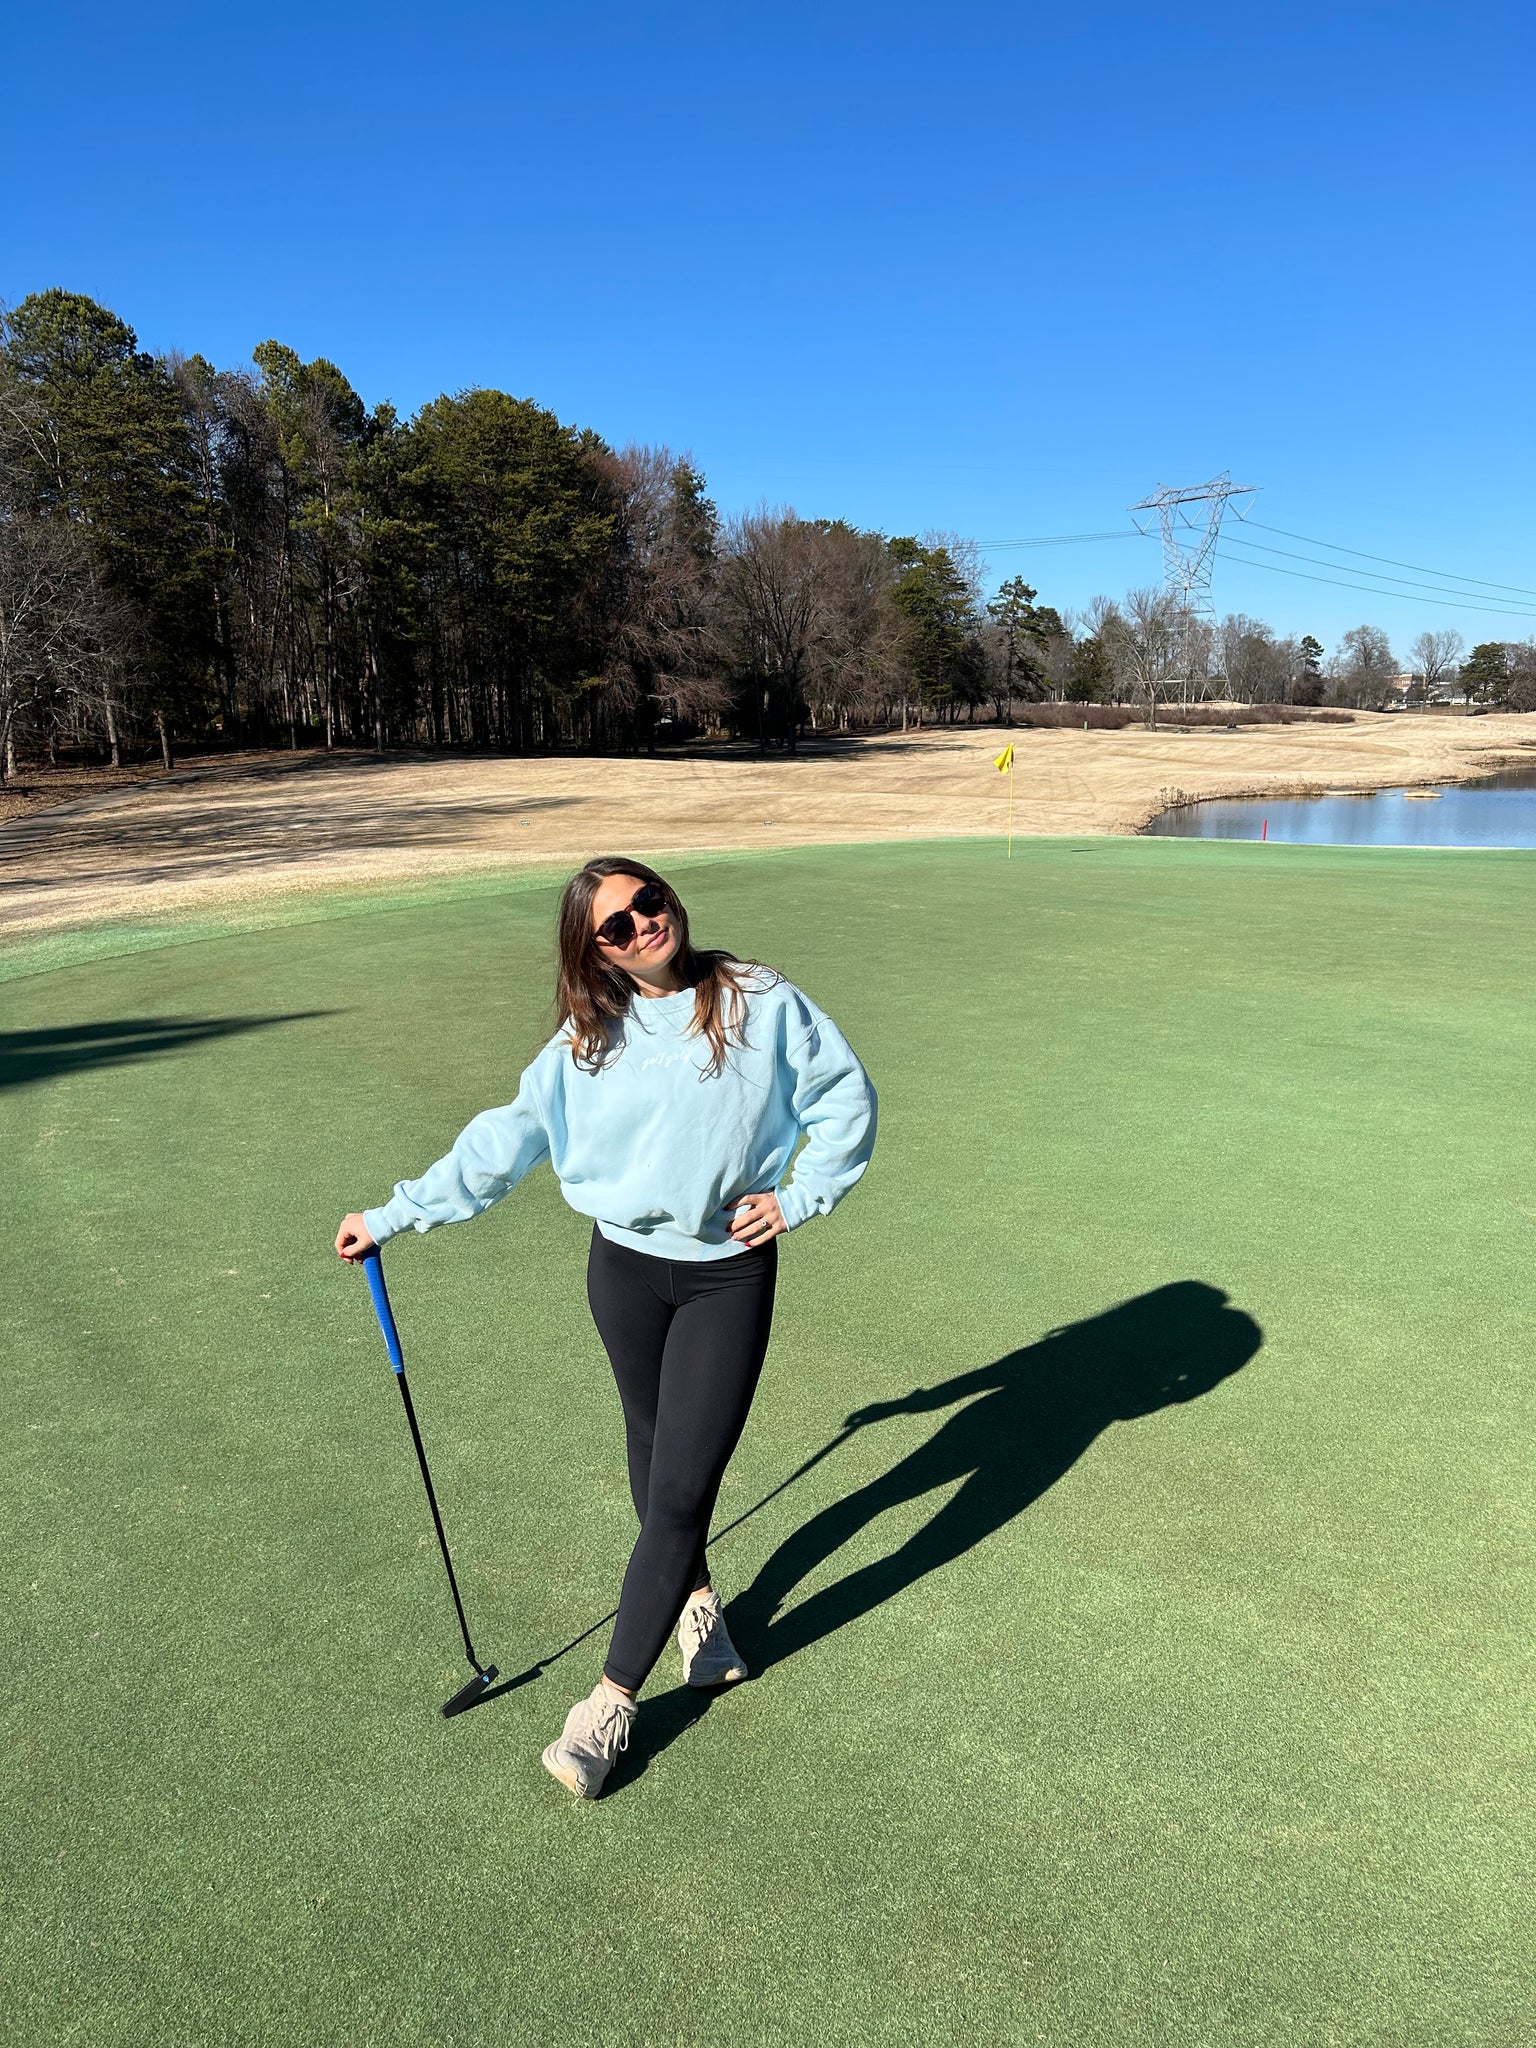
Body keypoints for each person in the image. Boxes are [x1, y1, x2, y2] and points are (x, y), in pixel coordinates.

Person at [335, 855, 877, 1799]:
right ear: (594, 953)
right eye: (613, 928)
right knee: (650, 1437)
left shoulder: (756, 999)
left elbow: (844, 1097)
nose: (639, 927)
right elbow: (503, 1142)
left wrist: (801, 1195)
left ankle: (609, 1703)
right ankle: (697, 1606)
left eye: (647, 904)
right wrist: (391, 1215)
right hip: (622, 1271)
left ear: (670, 899)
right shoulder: (586, 1038)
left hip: (725, 1277)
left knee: (678, 1491)